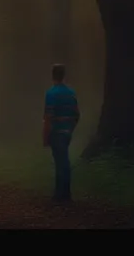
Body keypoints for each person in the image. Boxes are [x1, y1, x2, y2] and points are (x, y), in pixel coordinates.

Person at [43, 63, 80, 202]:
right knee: (64, 161)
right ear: (64, 75)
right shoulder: (71, 93)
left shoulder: (51, 93)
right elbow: (77, 114)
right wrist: (70, 128)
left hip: (56, 132)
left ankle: (61, 195)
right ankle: (65, 193)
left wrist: (45, 136)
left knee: (60, 162)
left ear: (52, 75)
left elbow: (48, 117)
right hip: (67, 133)